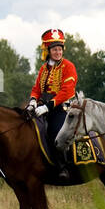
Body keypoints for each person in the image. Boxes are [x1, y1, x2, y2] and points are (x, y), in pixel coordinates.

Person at [26, 28, 78, 165]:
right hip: (42, 107)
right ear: (48, 51)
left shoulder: (68, 66)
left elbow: (66, 91)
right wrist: (32, 101)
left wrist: (47, 107)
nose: (58, 52)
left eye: (60, 49)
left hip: (63, 109)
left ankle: (63, 166)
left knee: (56, 132)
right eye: (55, 50)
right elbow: (37, 88)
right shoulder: (44, 68)